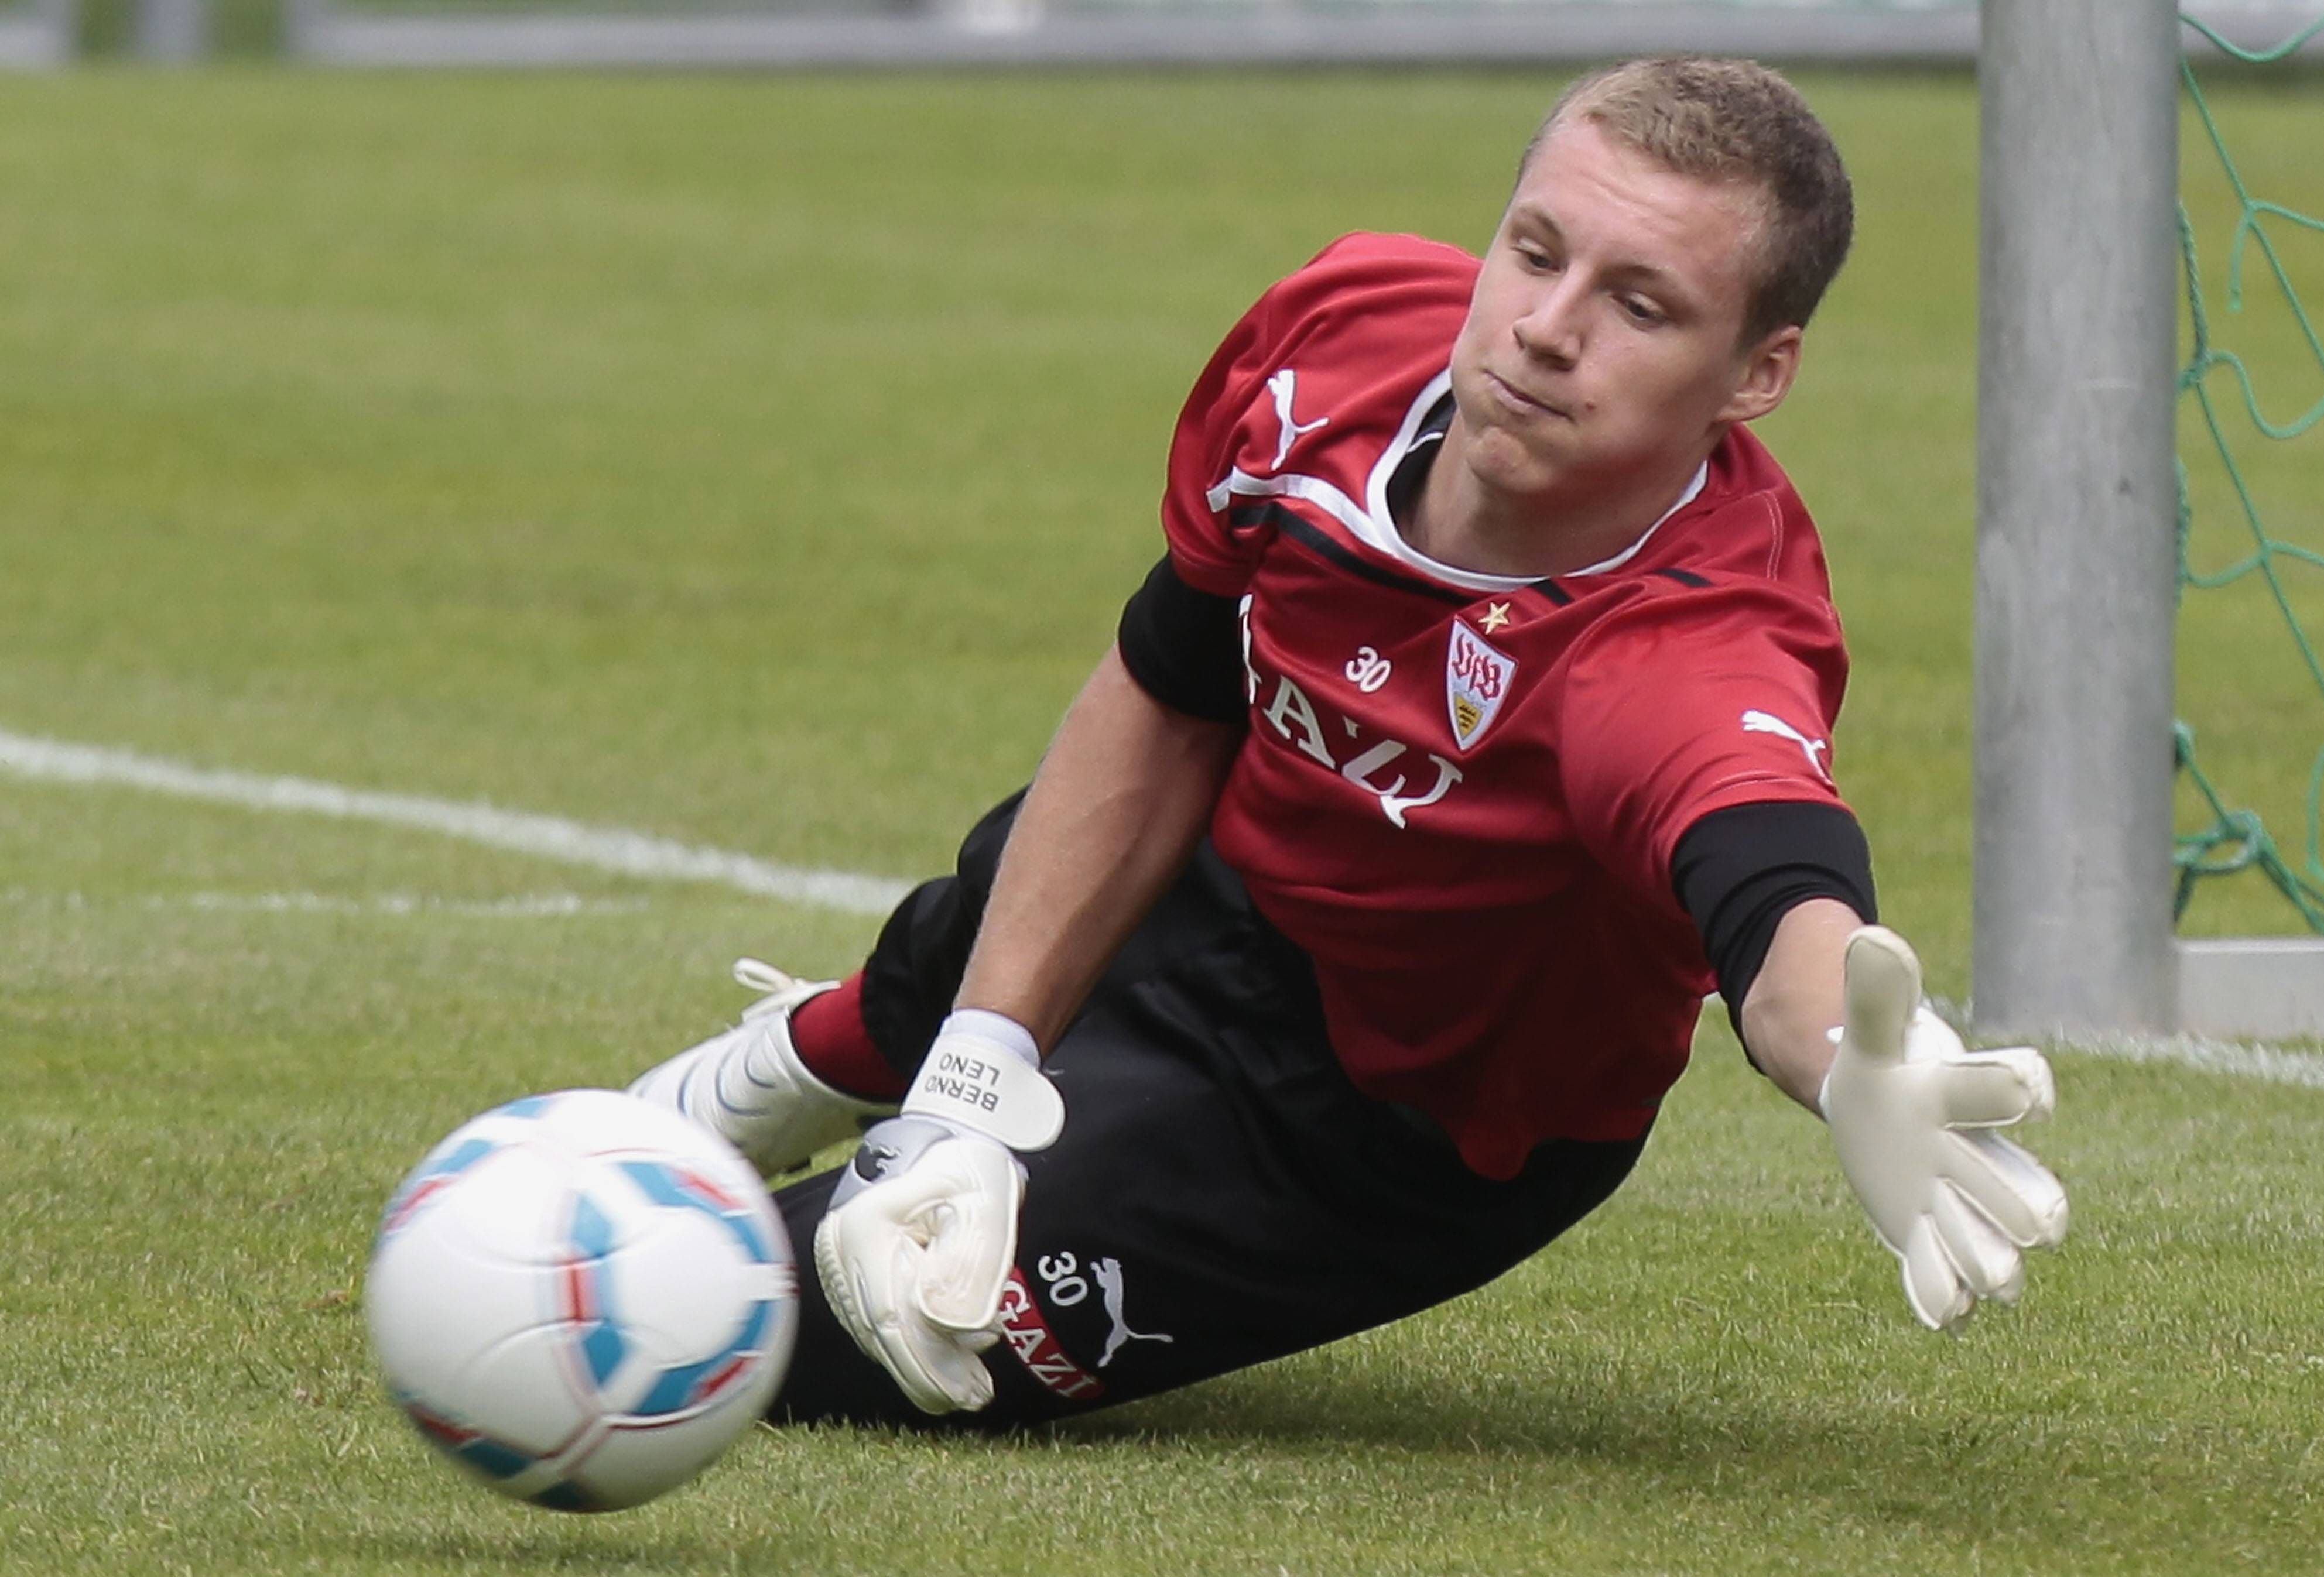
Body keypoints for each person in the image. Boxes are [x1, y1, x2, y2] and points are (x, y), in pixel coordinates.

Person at [632, 54, 2068, 1429]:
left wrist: (1850, 1060)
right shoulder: (1338, 334)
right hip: (1228, 884)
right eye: (1533, 250)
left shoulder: (1686, 641)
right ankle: (801, 1066)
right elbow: (1168, 685)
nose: (1545, 326)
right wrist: (970, 1081)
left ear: (1755, 374)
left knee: (726, 1321)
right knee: (1008, 892)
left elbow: (1766, 878)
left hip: (1379, 1124)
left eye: (1639, 306)